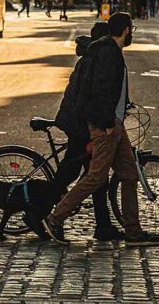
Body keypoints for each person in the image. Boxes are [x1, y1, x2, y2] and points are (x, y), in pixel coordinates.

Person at [42, 13, 159, 245]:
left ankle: (133, 232)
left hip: (115, 125)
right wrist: (105, 124)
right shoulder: (108, 54)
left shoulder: (110, 51)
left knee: (129, 174)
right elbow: (98, 92)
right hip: (105, 127)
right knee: (95, 177)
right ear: (127, 30)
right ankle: (55, 218)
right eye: (131, 30)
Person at [52, 21, 120, 241]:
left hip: (79, 124)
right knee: (78, 175)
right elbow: (89, 98)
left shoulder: (91, 56)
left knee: (96, 177)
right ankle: (46, 214)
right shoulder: (94, 59)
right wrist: (95, 129)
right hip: (81, 127)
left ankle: (103, 226)